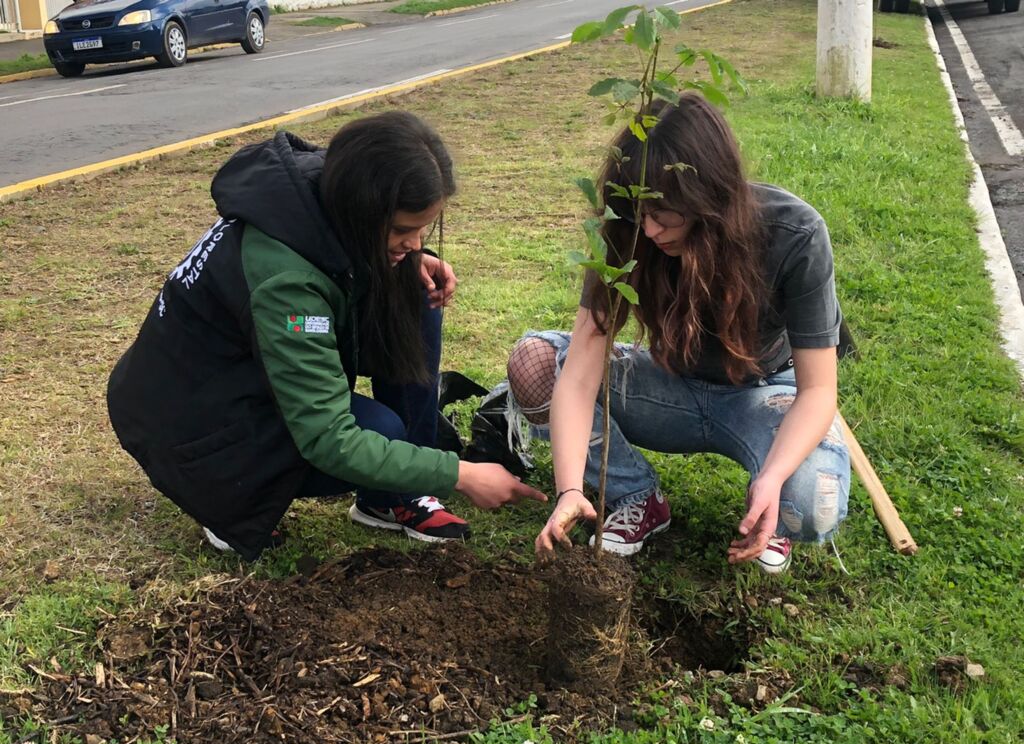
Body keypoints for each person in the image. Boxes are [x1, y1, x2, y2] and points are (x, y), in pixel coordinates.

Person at [107, 111, 545, 562]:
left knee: (414, 290)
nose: (414, 242)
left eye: (421, 229)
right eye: (401, 230)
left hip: (241, 370)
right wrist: (459, 474)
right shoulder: (286, 283)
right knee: (376, 430)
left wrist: (407, 259)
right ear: (362, 208)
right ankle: (222, 500)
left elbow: (345, 260)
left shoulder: (323, 187)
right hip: (195, 428)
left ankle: (391, 496)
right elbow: (330, 438)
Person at [510, 93, 850, 574]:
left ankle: (771, 510)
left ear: (709, 195)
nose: (649, 230)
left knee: (812, 502)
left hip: (764, 394)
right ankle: (637, 496)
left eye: (665, 214)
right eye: (640, 213)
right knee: (535, 363)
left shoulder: (794, 233)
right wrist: (569, 489)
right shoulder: (626, 231)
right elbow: (583, 372)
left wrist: (773, 477)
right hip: (668, 385)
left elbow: (818, 389)